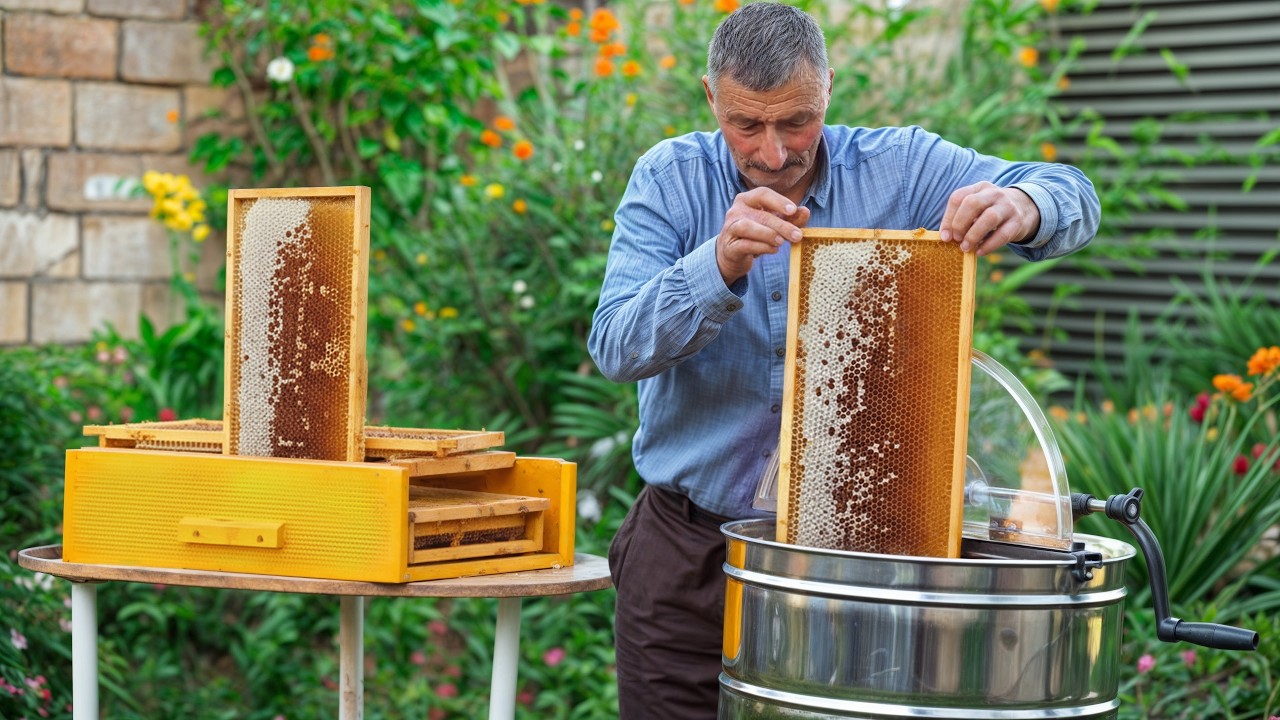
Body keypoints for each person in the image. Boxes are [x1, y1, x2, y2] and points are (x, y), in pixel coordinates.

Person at [587, 4, 1101, 719]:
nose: (772, 152)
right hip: (688, 556)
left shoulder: (903, 166)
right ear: (711, 97)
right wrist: (718, 265)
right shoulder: (670, 180)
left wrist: (1024, 202)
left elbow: (1073, 191)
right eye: (747, 125)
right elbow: (615, 344)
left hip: (861, 559)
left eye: (796, 120)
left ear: (829, 87)